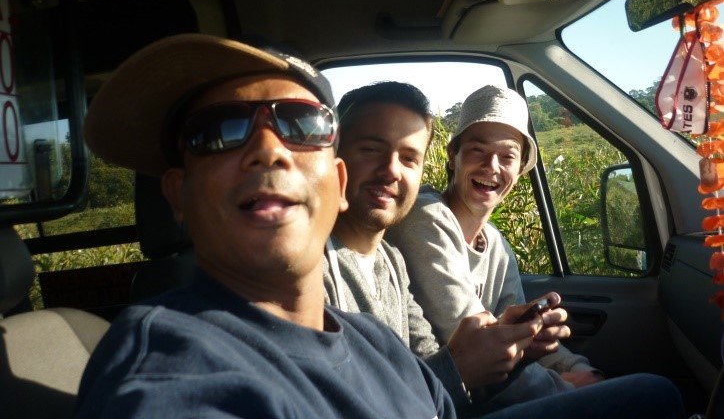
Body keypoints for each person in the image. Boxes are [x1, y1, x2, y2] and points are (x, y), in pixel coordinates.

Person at [76, 36, 684, 418]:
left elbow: (434, 393)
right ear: (178, 195)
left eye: (302, 126)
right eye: (220, 132)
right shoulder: (173, 362)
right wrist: (468, 367)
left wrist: (504, 358)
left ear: (335, 181)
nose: (269, 150)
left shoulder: (367, 332)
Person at [325, 81, 575, 409]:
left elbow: (426, 364)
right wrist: (462, 368)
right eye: (371, 149)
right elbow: (347, 401)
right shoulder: (312, 271)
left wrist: (525, 348)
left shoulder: (391, 263)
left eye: (409, 158)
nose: (391, 170)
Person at [386, 85, 604, 404]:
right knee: (655, 391)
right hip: (442, 401)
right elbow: (481, 347)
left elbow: (522, 334)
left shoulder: (497, 246)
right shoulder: (425, 217)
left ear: (520, 168)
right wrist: (567, 388)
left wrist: (584, 372)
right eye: (478, 150)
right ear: (453, 156)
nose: (492, 166)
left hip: (486, 395)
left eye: (507, 156)